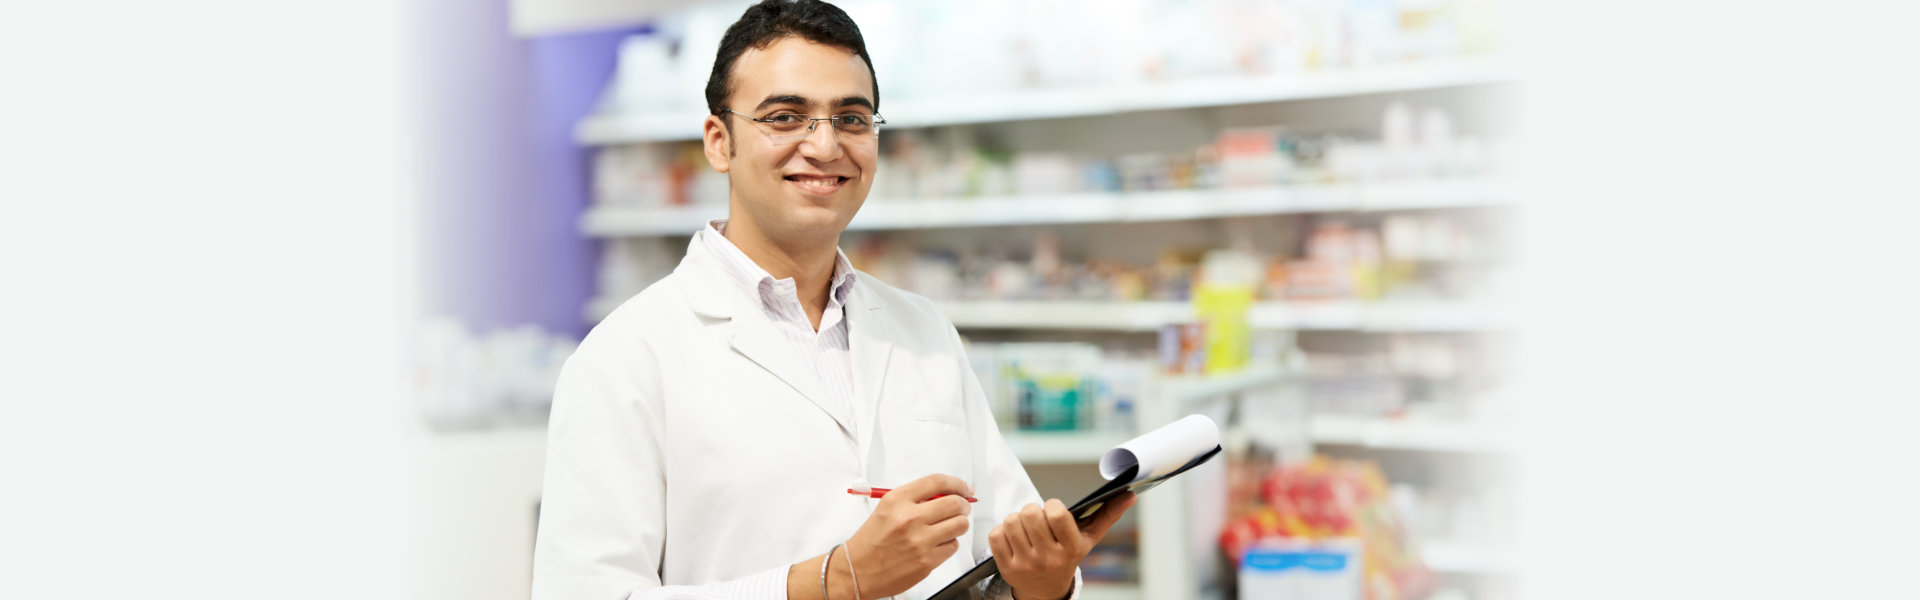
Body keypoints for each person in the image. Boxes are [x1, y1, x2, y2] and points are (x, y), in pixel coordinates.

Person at [530, 1, 1135, 599]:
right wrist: (833, 581)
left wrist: (1044, 585)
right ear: (720, 142)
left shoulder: (923, 332)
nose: (825, 147)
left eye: (850, 118)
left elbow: (997, 551)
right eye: (786, 117)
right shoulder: (625, 357)